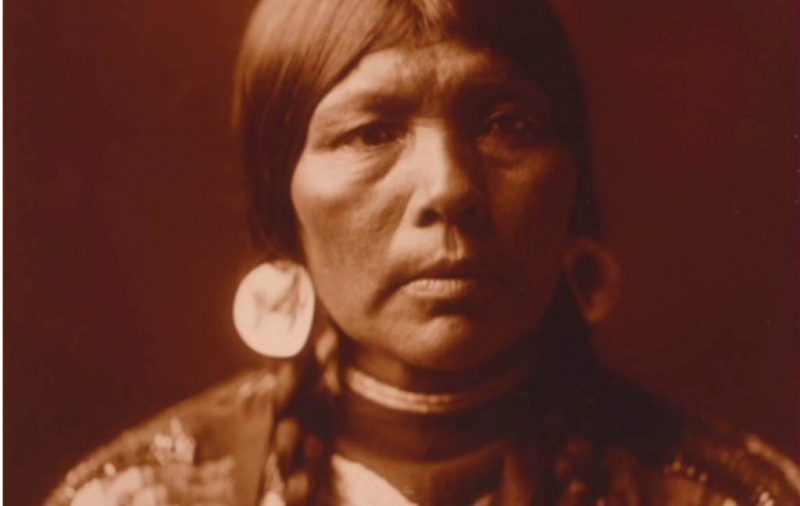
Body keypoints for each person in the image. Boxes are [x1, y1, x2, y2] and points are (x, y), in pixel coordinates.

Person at [45, 0, 800, 504]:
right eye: (371, 132)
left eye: (506, 124)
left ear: (574, 185)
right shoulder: (138, 497)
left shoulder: (730, 496)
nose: (449, 188)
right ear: (283, 208)